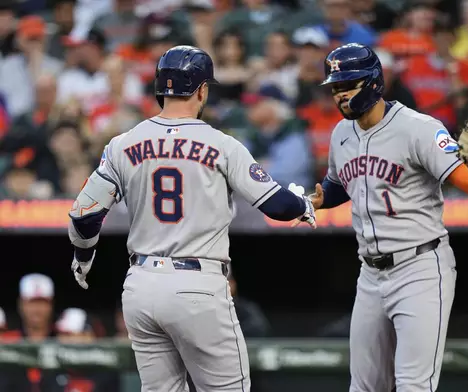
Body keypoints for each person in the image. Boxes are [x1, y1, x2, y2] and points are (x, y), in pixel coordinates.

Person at [66, 45, 317, 392]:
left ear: (159, 88)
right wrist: (304, 205)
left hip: (140, 286)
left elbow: (84, 215)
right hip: (197, 286)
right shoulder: (221, 144)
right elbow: (276, 205)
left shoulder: (123, 143)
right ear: (201, 90)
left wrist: (83, 255)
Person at [308, 42, 468, 392]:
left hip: (420, 268)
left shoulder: (419, 129)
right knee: (364, 386)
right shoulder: (341, 134)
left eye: (347, 86)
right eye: (335, 88)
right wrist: (320, 200)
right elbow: (339, 184)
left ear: (372, 83)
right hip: (370, 272)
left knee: (414, 385)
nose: (339, 95)